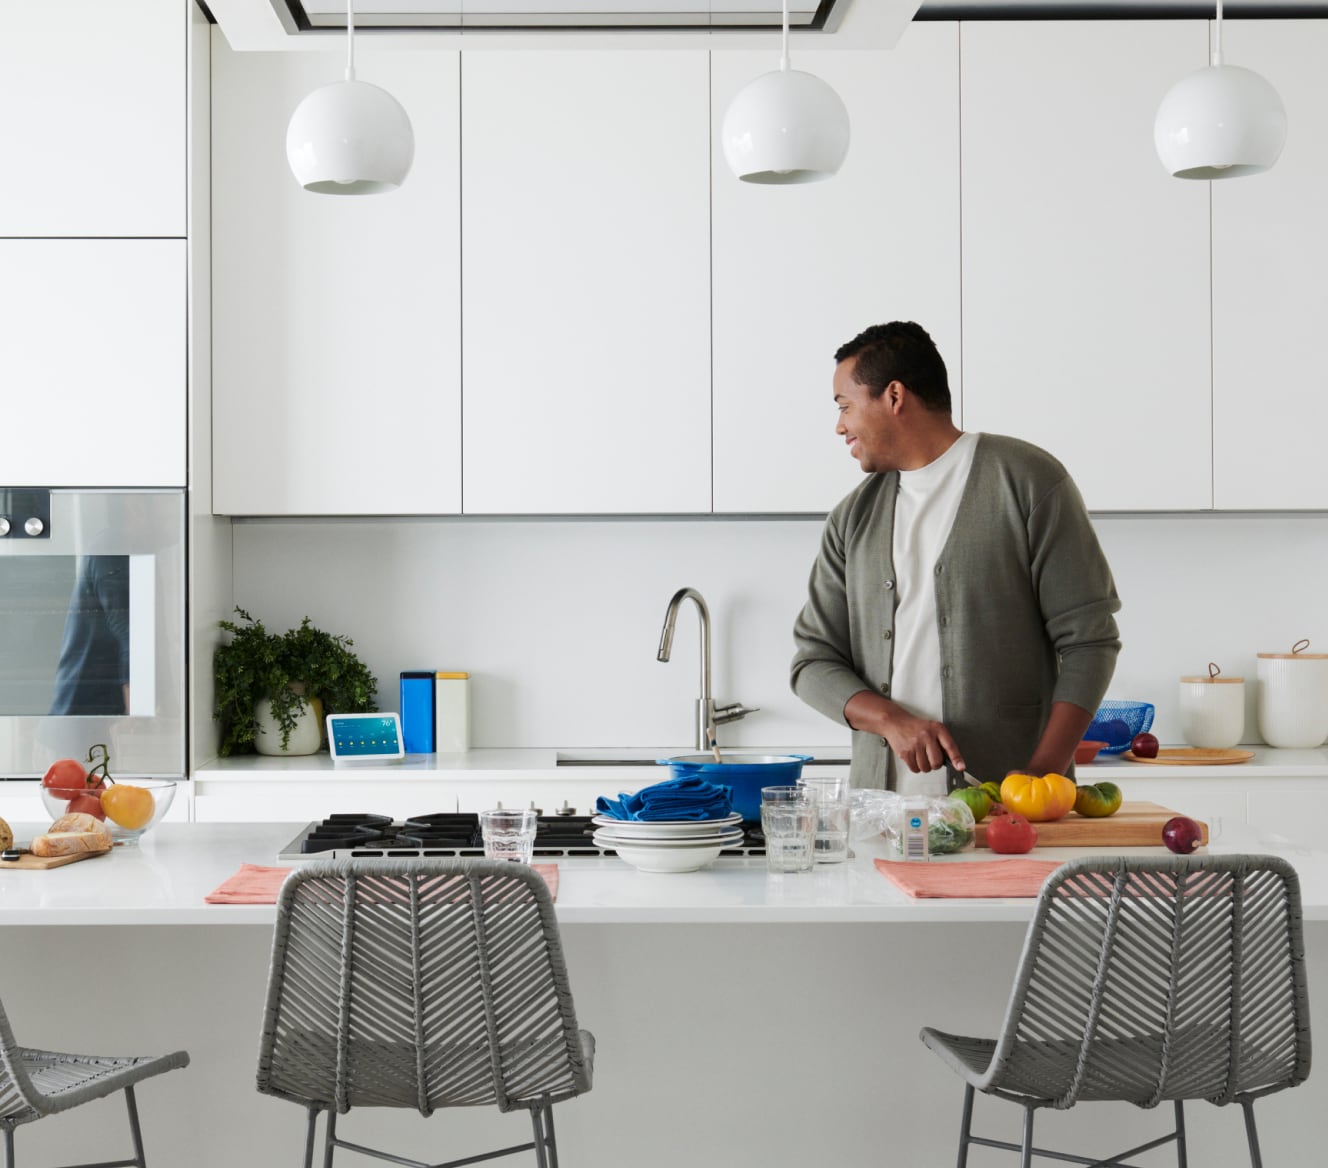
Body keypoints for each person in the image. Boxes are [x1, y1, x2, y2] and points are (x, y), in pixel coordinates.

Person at [790, 321, 1121, 793]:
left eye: (845, 406)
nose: (840, 425)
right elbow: (812, 662)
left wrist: (1041, 776)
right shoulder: (853, 517)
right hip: (880, 813)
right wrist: (891, 720)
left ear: (895, 396)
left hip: (1011, 816)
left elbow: (1090, 641)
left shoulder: (1026, 481)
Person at [48, 554, 131, 716]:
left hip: (85, 712)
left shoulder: (127, 554)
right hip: (82, 715)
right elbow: (128, 633)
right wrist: (136, 713)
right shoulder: (110, 554)